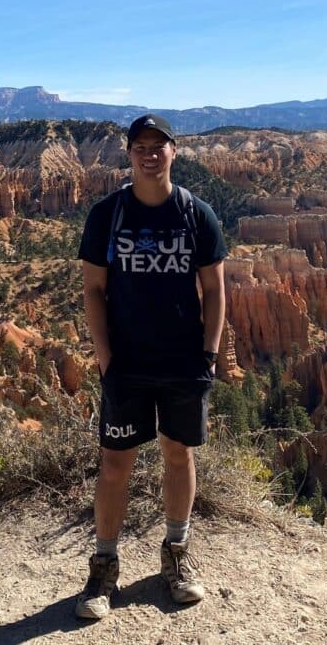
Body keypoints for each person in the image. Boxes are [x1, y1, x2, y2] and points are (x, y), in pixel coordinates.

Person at [74, 113, 227, 620]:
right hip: (127, 362)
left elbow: (215, 289)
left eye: (157, 145)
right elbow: (93, 289)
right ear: (128, 152)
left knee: (178, 454)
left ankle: (178, 554)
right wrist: (104, 357)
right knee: (116, 463)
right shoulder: (107, 215)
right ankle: (104, 566)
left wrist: (209, 353)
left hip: (183, 361)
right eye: (139, 145)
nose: (148, 153)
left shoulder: (196, 214)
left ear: (173, 151)